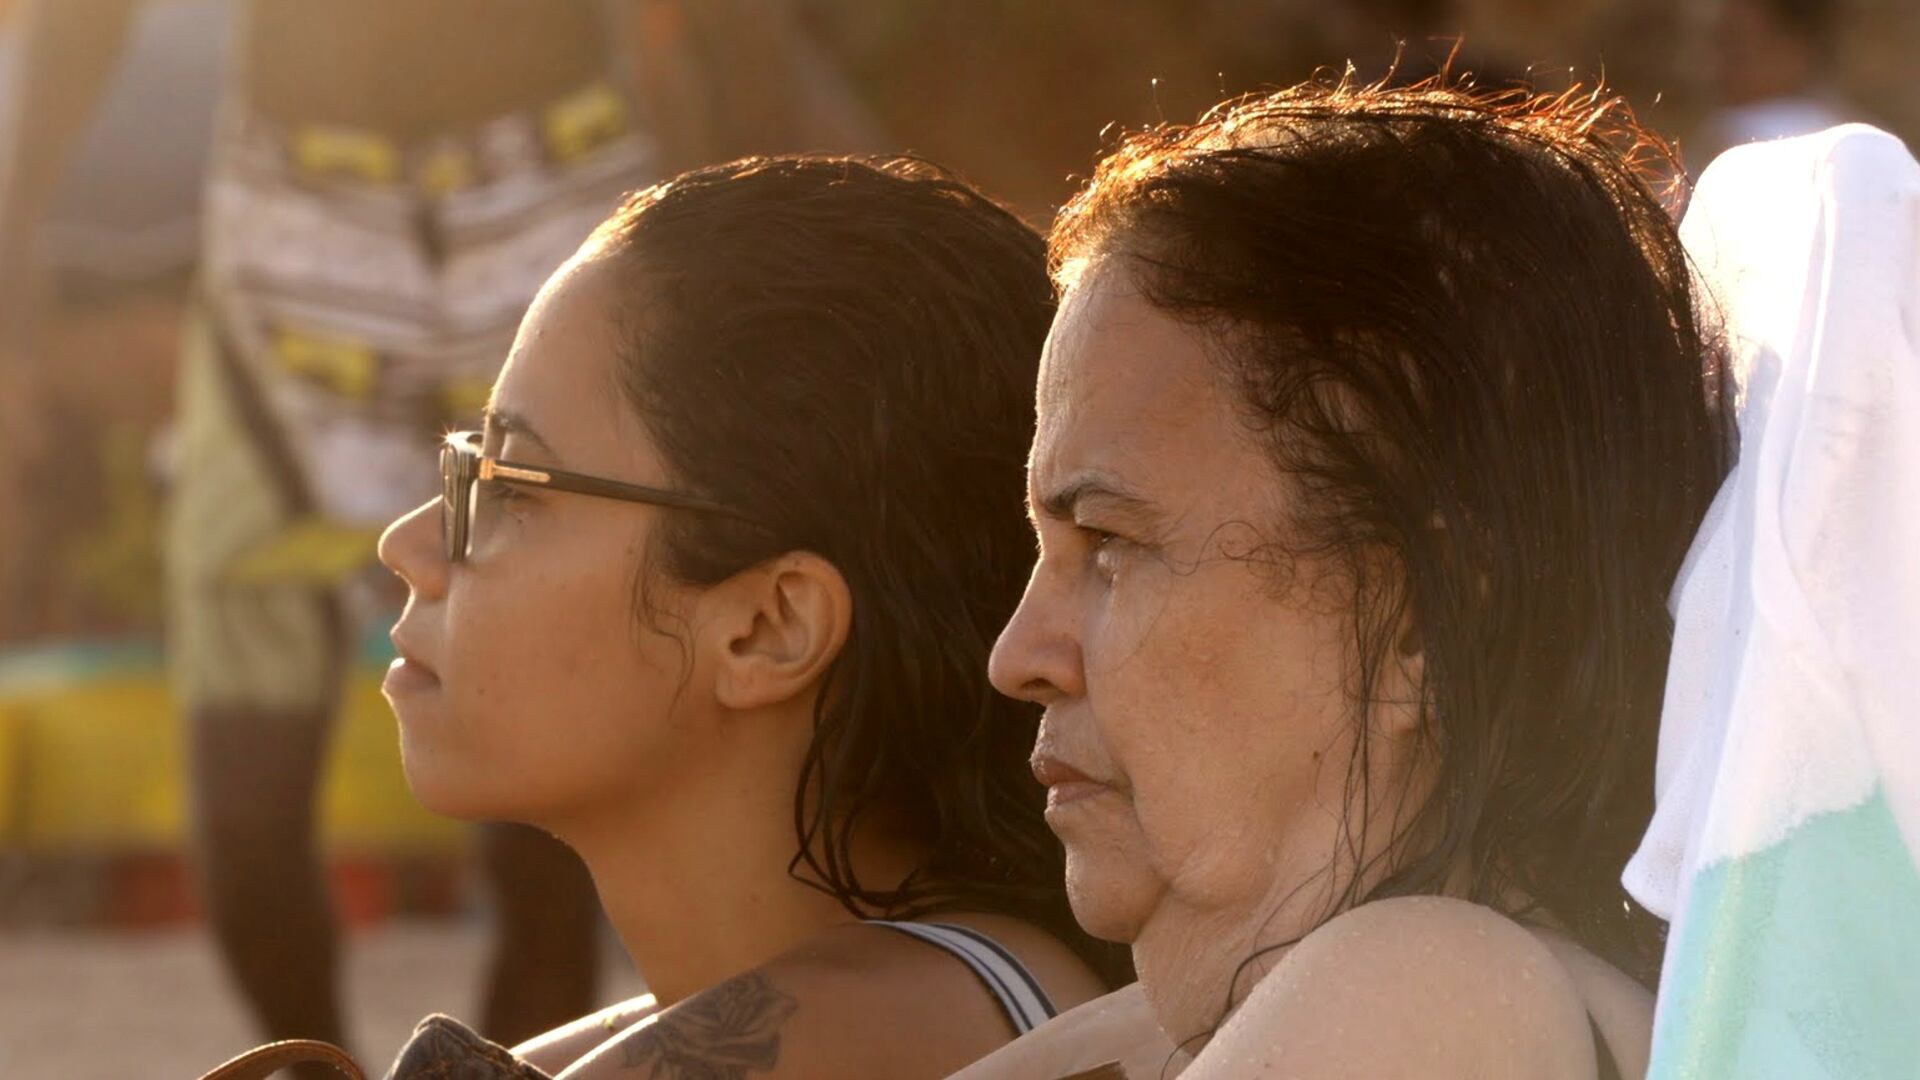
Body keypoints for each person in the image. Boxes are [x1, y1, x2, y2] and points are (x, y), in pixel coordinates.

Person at [957, 75, 1732, 1079]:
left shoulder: (1436, 993)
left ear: (1427, 623)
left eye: (1109, 543)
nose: (1019, 656)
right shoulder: (1169, 1032)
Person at [0, 0, 664, 1063]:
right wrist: (14, 250)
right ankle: (308, 1063)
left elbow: (720, 24)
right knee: (245, 796)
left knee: (542, 804)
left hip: (548, 199)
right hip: (290, 227)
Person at [375, 155, 1127, 1079]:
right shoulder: (927, 997)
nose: (407, 544)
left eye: (509, 485)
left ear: (769, 626)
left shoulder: (849, 1039)